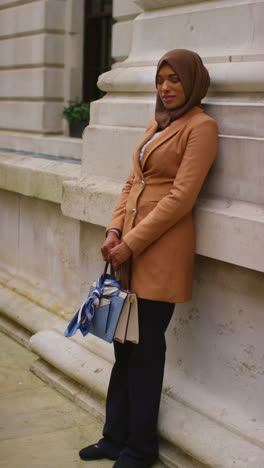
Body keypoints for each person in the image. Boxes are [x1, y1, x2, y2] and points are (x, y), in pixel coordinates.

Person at [79, 49, 218, 468]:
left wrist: (131, 242)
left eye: (174, 79)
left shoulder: (201, 127)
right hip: (129, 252)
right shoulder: (159, 124)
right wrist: (113, 230)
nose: (166, 88)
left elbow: (180, 198)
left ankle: (141, 449)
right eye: (160, 80)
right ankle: (113, 437)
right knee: (122, 347)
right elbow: (132, 182)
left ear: (192, 82)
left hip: (160, 255)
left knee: (145, 351)